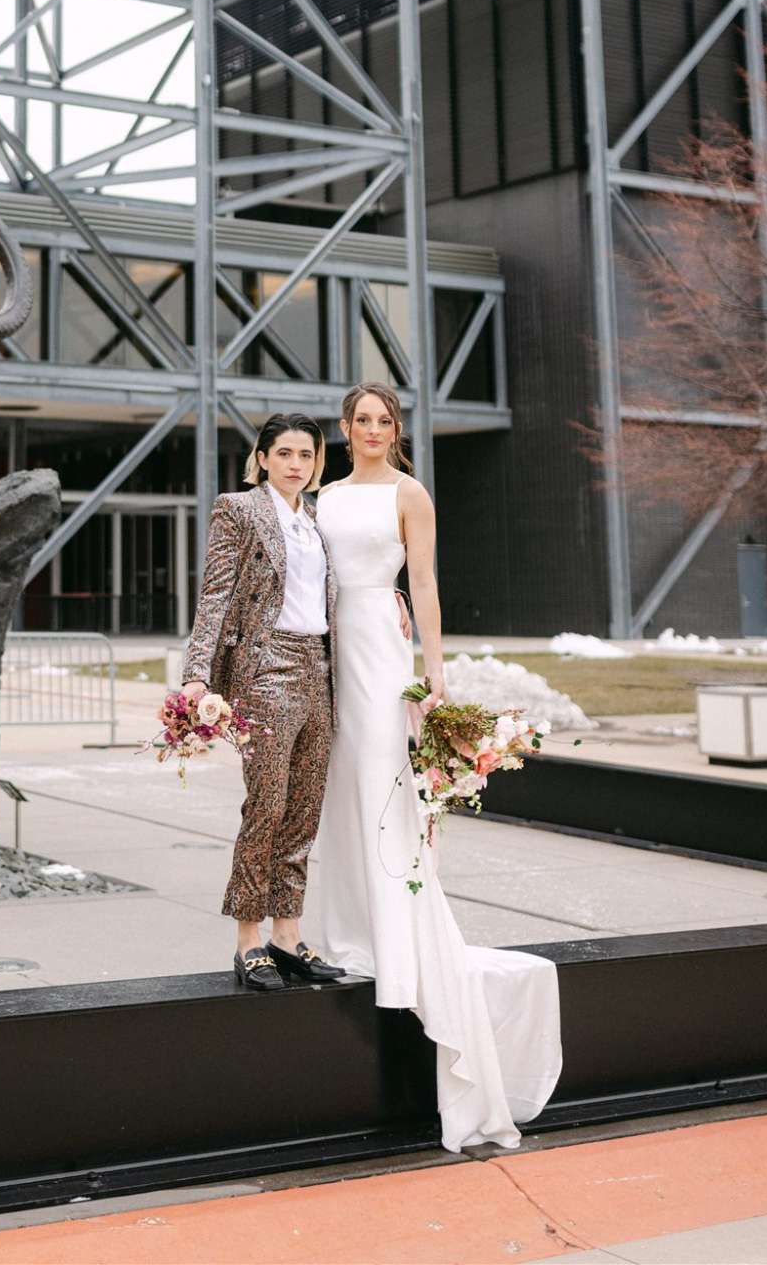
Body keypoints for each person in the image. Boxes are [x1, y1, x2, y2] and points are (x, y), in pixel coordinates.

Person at [310, 381, 562, 1150]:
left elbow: (423, 584)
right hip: (329, 649)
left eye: (385, 420)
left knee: (387, 783)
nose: (374, 430)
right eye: (363, 420)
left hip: (384, 656)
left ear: (395, 429)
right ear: (346, 427)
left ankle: (397, 934)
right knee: (342, 787)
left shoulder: (409, 492)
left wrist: (435, 673)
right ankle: (349, 927)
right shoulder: (321, 494)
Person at [181, 412, 347, 991]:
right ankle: (248, 939)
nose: (296, 465)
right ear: (263, 457)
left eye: (306, 455)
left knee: (304, 809)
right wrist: (197, 672)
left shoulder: (318, 521)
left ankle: (288, 933)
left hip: (318, 667)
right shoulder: (240, 508)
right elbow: (216, 593)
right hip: (267, 668)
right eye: (285, 454)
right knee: (267, 805)